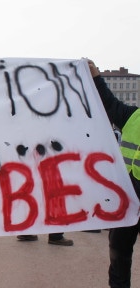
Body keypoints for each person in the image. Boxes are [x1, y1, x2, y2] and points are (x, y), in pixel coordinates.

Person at [88, 59, 140, 288]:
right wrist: (96, 77)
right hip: (128, 201)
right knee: (118, 253)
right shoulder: (133, 116)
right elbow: (108, 104)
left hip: (128, 199)